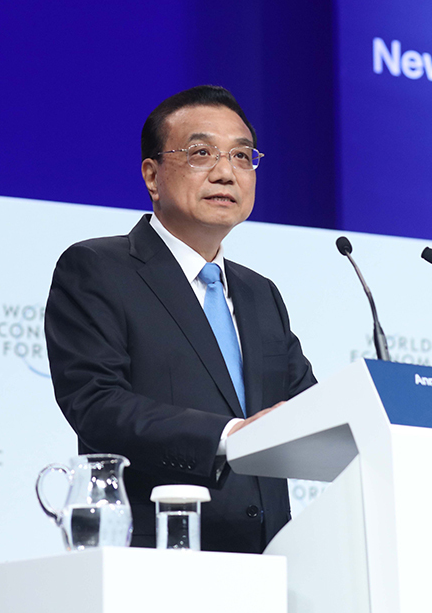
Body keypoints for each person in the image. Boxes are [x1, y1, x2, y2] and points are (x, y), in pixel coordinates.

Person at [44, 85, 316, 553]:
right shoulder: (97, 269)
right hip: (158, 554)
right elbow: (96, 403)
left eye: (241, 156)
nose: (225, 172)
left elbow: (306, 407)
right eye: (201, 153)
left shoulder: (260, 293)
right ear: (152, 175)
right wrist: (228, 435)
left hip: (270, 563)